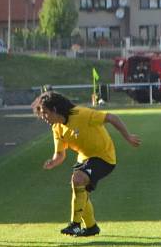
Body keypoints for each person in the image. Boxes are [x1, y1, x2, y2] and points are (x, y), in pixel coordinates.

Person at [32, 91, 141, 237]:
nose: (43, 117)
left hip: (104, 157)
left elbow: (111, 117)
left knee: (77, 179)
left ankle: (75, 225)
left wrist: (127, 136)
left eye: (45, 112)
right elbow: (60, 154)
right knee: (81, 192)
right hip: (84, 159)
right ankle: (91, 227)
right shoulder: (57, 128)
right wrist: (53, 162)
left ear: (55, 110)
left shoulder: (82, 114)